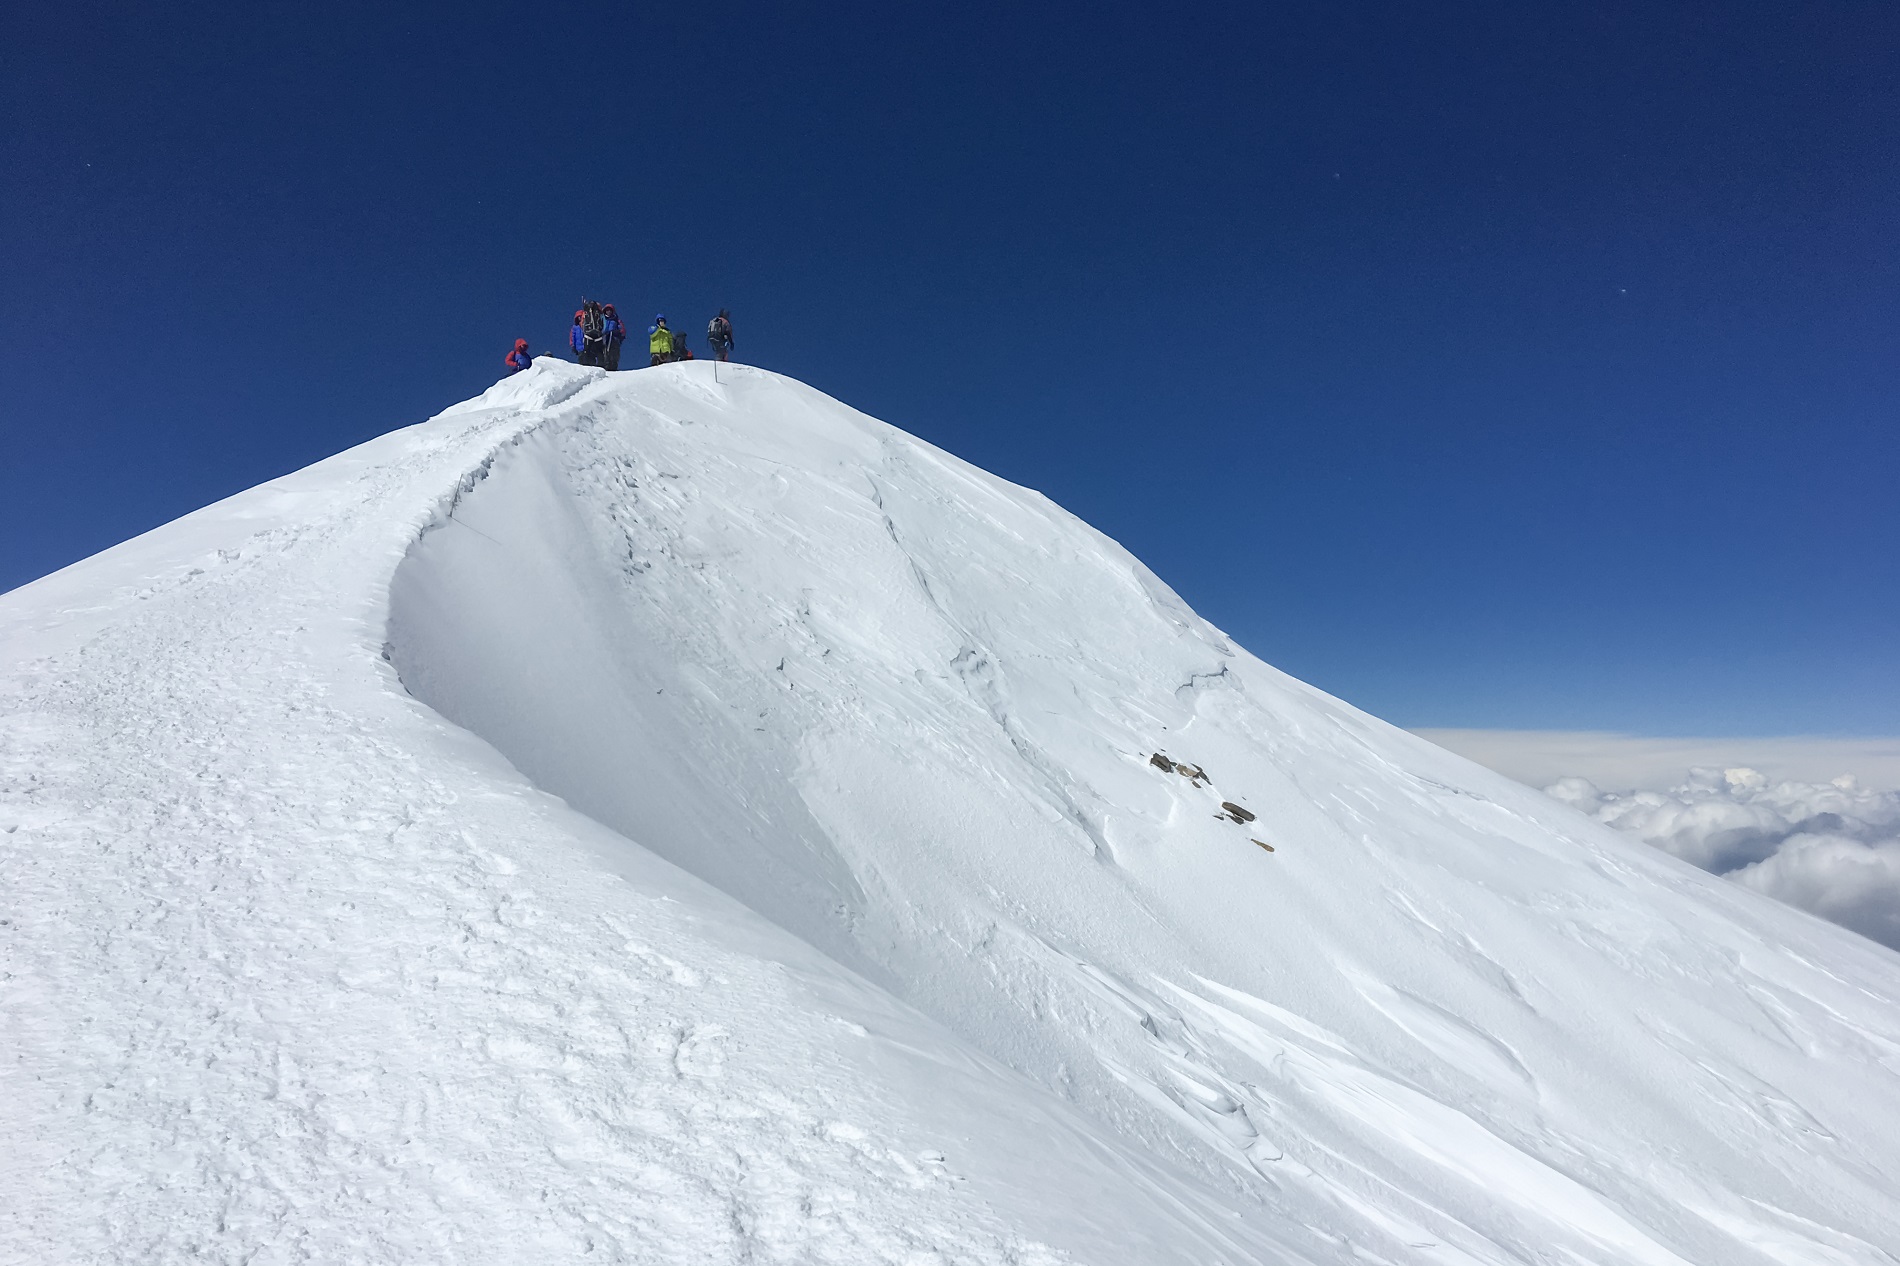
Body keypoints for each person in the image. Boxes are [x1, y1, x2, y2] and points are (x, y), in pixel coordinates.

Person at [601, 303, 626, 371]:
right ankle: (606, 367)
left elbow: (622, 329)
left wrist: (619, 334)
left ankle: (613, 367)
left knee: (614, 354)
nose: (608, 312)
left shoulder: (616, 320)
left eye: (610, 310)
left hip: (614, 339)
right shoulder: (602, 319)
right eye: (607, 310)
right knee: (605, 353)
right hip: (605, 338)